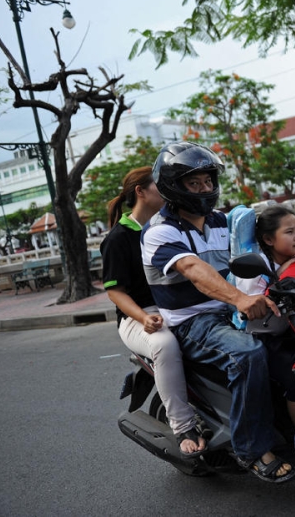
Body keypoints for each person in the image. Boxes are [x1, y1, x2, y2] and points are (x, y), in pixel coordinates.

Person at [141, 142, 295, 484]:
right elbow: (194, 269)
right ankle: (251, 449)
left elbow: (273, 242)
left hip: (230, 311)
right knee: (249, 353)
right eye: (193, 183)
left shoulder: (223, 221)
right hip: (193, 322)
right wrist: (238, 299)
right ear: (172, 186)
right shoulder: (160, 231)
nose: (204, 189)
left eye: (207, 181)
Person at [100, 166, 209, 458]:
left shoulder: (174, 224)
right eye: (161, 187)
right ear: (141, 192)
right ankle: (184, 425)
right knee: (164, 344)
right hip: (142, 316)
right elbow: (115, 292)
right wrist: (143, 317)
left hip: (179, 305)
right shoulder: (118, 239)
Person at [234, 205, 295, 470]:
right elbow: (253, 302)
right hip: (268, 335)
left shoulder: (291, 255)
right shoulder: (255, 266)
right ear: (268, 239)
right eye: (289, 232)